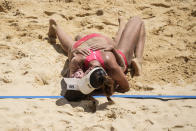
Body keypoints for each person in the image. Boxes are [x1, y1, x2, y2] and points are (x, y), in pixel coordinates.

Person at [48, 16, 145, 94]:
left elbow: (124, 86)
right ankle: (56, 27)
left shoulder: (111, 68)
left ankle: (122, 27)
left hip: (99, 45)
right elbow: (125, 87)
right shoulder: (78, 62)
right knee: (71, 47)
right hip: (83, 45)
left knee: (117, 46)